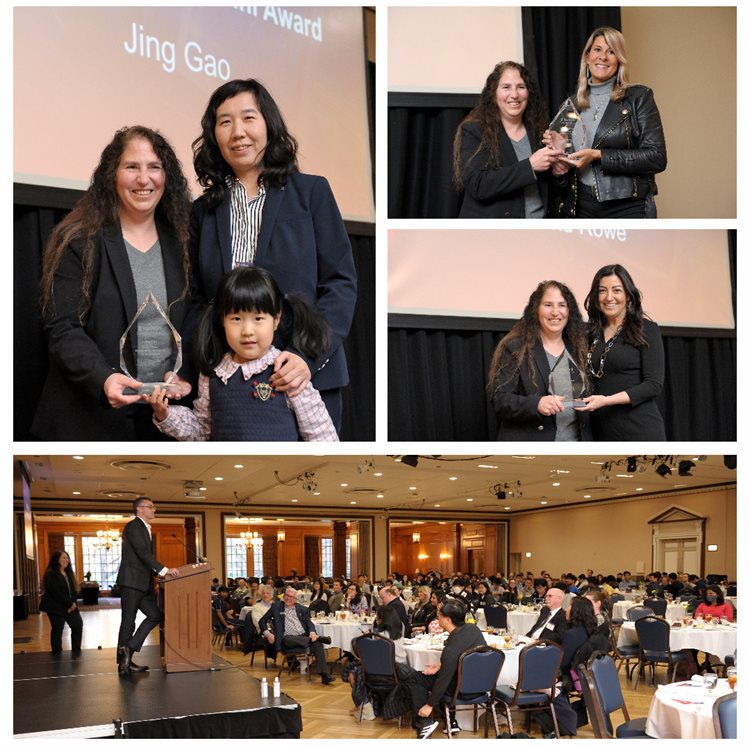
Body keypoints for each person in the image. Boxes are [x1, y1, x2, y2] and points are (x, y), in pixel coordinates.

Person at [190, 78, 357, 433]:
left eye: (249, 118)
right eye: (225, 122)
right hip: (231, 388)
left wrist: (306, 357)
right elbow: (197, 299)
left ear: (269, 124)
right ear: (213, 135)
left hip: (304, 377)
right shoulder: (202, 211)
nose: (238, 132)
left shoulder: (311, 192)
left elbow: (340, 284)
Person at [32, 126, 192, 440]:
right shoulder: (79, 239)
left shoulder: (184, 241)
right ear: (112, 175)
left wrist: (185, 374)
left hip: (164, 421)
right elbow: (63, 327)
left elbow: (198, 318)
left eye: (154, 167)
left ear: (167, 176)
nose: (144, 179)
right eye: (132, 167)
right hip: (90, 420)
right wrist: (104, 379)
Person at [145, 266, 337, 441]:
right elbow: (202, 432)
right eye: (236, 318)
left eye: (258, 318)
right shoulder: (212, 373)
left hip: (279, 477)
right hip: (225, 476)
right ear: (222, 320)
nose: (247, 330)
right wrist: (165, 414)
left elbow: (321, 433)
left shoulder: (286, 371)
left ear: (276, 319)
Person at [548, 27, 667, 218]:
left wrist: (599, 155)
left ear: (619, 60)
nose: (603, 57)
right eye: (597, 50)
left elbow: (656, 157)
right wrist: (558, 161)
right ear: (587, 57)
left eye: (611, 51)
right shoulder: (571, 105)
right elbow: (563, 172)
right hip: (580, 206)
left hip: (627, 206)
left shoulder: (638, 97)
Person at [453, 61, 562, 217]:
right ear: (493, 93)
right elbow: (479, 185)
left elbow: (548, 190)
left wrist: (559, 173)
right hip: (494, 235)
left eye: (521, 87)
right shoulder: (474, 131)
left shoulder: (540, 132)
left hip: (539, 232)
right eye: (506, 87)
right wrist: (530, 166)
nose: (515, 94)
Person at [488, 280, 591, 441]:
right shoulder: (516, 347)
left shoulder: (581, 348)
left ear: (569, 311)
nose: (555, 312)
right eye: (548, 305)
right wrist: (536, 404)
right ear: (536, 309)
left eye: (562, 305)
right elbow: (500, 400)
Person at [578, 264, 666, 440]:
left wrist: (606, 400)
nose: (609, 297)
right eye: (602, 291)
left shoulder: (646, 329)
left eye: (616, 290)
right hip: (601, 429)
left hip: (639, 428)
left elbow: (653, 385)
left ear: (628, 295)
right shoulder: (591, 333)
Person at [403, 599, 486, 739]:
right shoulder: (473, 629)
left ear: (447, 620)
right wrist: (441, 665)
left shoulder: (450, 651)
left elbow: (443, 680)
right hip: (481, 685)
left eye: (439, 615)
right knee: (422, 677)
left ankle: (424, 722)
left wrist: (429, 705)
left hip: (461, 689)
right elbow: (471, 654)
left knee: (415, 678)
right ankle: (442, 721)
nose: (437, 618)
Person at [116, 497, 179, 675]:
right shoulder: (133, 526)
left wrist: (156, 575)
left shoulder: (145, 528)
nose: (154, 510)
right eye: (150, 507)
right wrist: (164, 570)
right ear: (139, 510)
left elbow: (142, 559)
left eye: (153, 507)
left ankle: (129, 648)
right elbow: (142, 553)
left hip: (143, 583)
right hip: (132, 582)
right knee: (128, 623)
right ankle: (124, 664)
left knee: (155, 615)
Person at [259, 587, 334, 684]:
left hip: (303, 638)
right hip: (286, 641)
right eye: (286, 595)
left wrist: (312, 632)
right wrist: (267, 634)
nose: (288, 598)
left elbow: (309, 623)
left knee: (317, 645)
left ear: (295, 599)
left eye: (291, 597)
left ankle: (325, 676)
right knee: (288, 639)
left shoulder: (302, 609)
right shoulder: (276, 607)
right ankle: (317, 639)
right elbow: (262, 621)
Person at [39, 550, 83, 653]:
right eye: (64, 557)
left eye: (67, 558)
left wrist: (73, 604)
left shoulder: (68, 573)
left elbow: (74, 591)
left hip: (70, 606)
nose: (67, 560)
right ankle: (57, 654)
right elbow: (56, 592)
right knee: (58, 629)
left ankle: (76, 652)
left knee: (77, 625)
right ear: (56, 560)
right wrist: (69, 604)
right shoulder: (51, 573)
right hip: (55, 607)